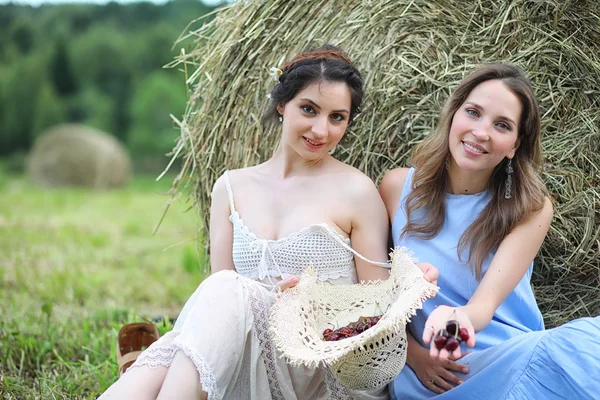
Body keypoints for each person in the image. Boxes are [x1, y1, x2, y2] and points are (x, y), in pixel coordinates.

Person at [99, 45, 437, 400]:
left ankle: (139, 372)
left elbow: (376, 314)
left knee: (215, 303)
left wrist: (309, 307)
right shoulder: (229, 187)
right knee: (219, 296)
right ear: (281, 104)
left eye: (337, 117)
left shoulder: (357, 191)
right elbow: (220, 306)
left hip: (325, 370)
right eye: (309, 109)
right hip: (245, 356)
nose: (321, 130)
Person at [379, 63, 600, 399]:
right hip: (430, 375)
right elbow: (371, 293)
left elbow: (482, 307)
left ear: (514, 144)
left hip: (510, 358)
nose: (481, 132)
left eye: (501, 125)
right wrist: (413, 355)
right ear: (454, 115)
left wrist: (455, 319)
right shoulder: (396, 188)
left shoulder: (529, 207)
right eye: (473, 112)